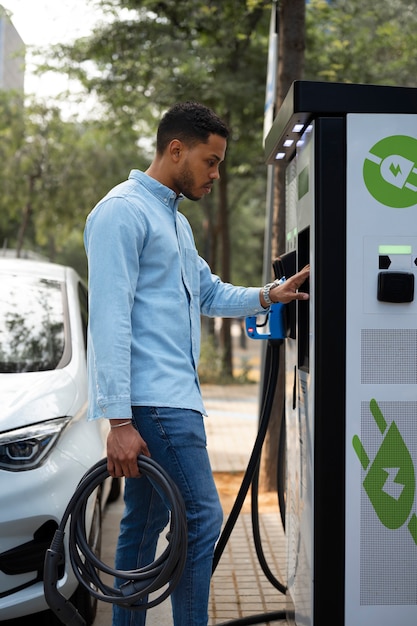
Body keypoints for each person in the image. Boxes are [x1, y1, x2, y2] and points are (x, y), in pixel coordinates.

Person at [84, 101, 310, 626]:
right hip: (157, 402)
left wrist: (269, 294)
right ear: (175, 149)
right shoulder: (122, 211)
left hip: (170, 399)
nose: (215, 174)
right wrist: (117, 420)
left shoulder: (174, 224)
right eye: (210, 162)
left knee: (143, 527)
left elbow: (207, 292)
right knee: (203, 518)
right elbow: (110, 319)